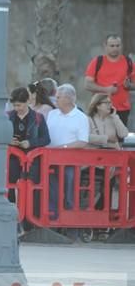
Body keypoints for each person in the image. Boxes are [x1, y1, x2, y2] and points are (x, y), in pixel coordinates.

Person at [7, 87, 50, 227]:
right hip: (12, 158)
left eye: (19, 105)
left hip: (32, 159)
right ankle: (12, 218)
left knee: (32, 188)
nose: (16, 108)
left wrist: (30, 143)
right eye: (14, 105)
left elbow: (46, 139)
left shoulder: (38, 118)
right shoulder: (8, 116)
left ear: (27, 102)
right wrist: (8, 140)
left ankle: (30, 221)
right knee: (11, 186)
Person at [46, 84, 89, 220]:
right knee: (51, 192)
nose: (55, 99)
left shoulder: (81, 117)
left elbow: (83, 141)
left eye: (58, 97)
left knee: (70, 193)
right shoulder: (52, 114)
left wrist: (62, 148)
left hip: (71, 162)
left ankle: (70, 223)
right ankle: (52, 220)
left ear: (68, 99)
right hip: (50, 160)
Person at [84, 35, 135, 126]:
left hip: (122, 109)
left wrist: (129, 86)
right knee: (102, 138)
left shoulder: (128, 62)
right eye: (112, 46)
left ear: (121, 46)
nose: (115, 48)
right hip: (100, 108)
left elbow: (133, 84)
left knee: (120, 138)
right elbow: (87, 84)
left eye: (117, 45)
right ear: (105, 46)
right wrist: (106, 90)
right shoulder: (97, 61)